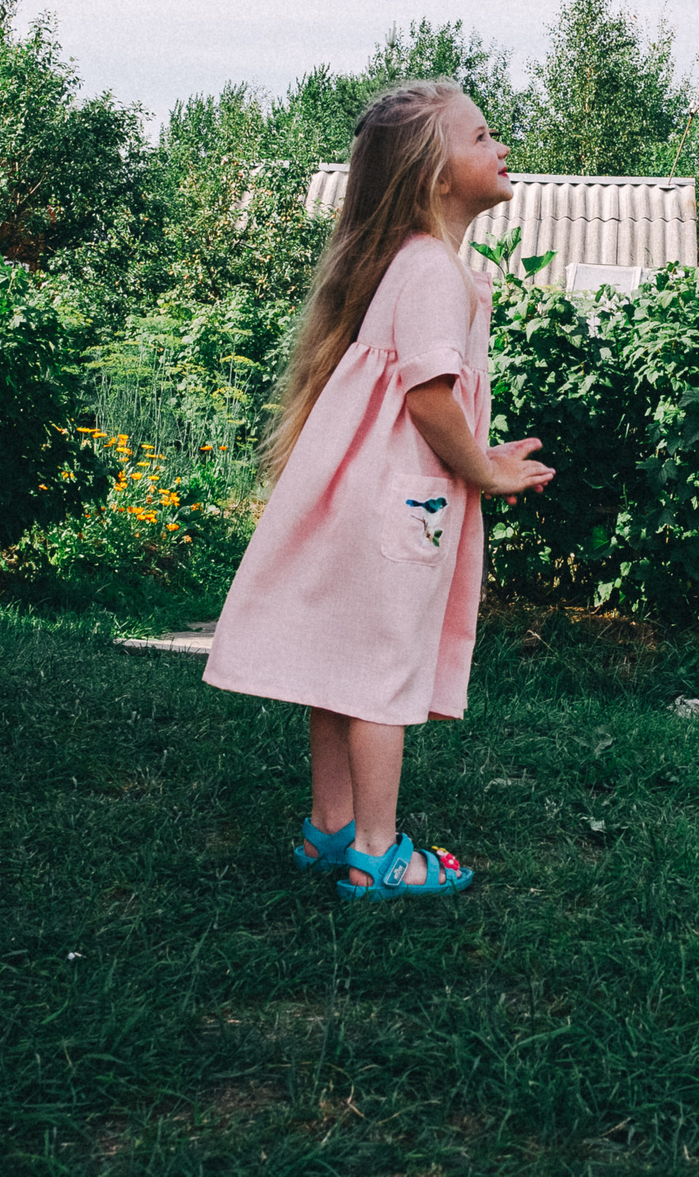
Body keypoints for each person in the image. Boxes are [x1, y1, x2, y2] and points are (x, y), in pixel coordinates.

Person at [203, 80, 555, 901]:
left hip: (369, 496)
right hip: (407, 506)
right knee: (383, 674)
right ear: (436, 173)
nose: (501, 147)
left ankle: (329, 828)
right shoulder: (435, 268)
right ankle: (377, 851)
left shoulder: (407, 263)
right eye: (482, 136)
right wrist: (485, 468)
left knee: (342, 666)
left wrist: (478, 446)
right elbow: (430, 399)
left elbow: (426, 400)